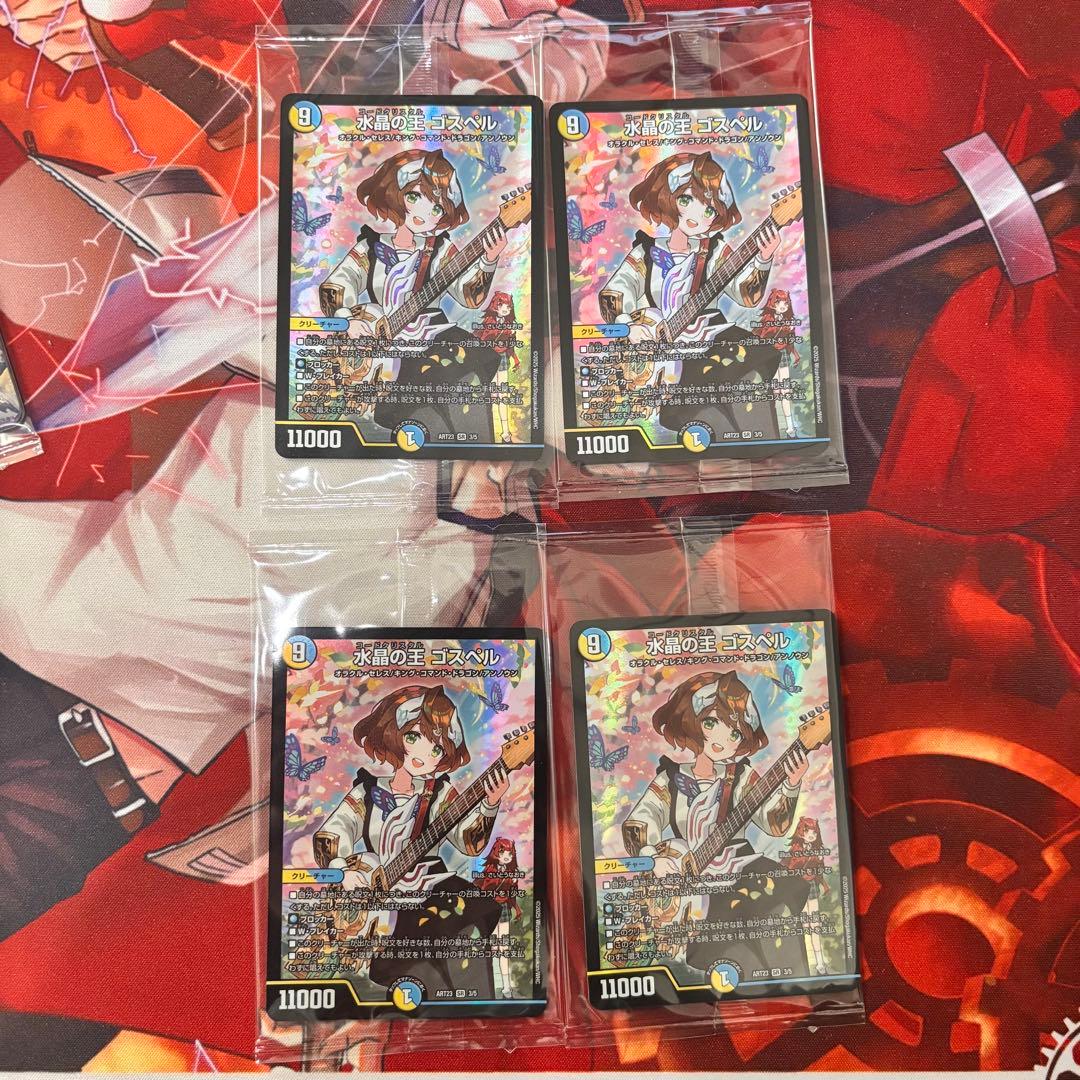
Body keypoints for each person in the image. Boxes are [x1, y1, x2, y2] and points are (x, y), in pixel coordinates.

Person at [313, 684, 510, 996]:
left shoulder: (440, 793)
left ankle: (475, 1002)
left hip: (432, 886)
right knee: (403, 967)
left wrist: (489, 804)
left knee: (468, 918)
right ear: (393, 733)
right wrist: (343, 870)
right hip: (381, 903)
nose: (423, 754)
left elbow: (469, 843)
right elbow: (329, 835)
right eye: (414, 736)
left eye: (437, 749)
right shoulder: (367, 792)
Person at [621, 671, 811, 977]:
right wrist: (652, 857)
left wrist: (791, 785)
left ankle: (795, 984)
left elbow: (775, 825)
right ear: (692, 722)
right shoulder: (670, 779)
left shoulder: (743, 777)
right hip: (693, 888)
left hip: (743, 869)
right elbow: (638, 823)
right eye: (712, 723)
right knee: (727, 954)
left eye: (735, 733)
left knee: (778, 913)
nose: (723, 739)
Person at [317, 148, 508, 443]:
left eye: (437, 208)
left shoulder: (441, 249)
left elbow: (470, 297)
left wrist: (488, 260)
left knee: (466, 375)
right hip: (384, 355)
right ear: (395, 194)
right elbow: (334, 287)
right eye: (415, 197)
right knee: (416, 410)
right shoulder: (370, 248)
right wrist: (348, 320)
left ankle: (478, 449)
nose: (424, 213)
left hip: (435, 338)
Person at [599, 152, 782, 441]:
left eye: (709, 210)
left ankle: (767, 447)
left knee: (750, 383)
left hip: (714, 340)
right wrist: (629, 326)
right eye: (687, 200)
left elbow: (747, 296)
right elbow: (612, 295)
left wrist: (763, 259)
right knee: (707, 419)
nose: (697, 216)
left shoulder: (716, 251)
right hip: (666, 362)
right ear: (666, 198)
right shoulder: (645, 253)